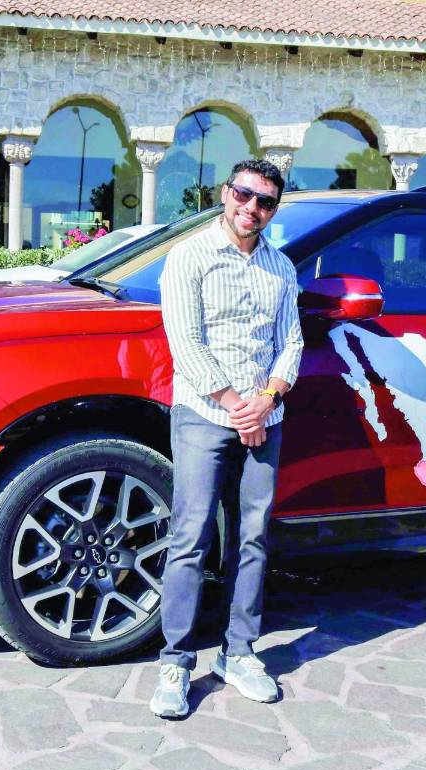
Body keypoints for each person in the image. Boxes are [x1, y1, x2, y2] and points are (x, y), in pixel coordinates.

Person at [150, 159, 303, 719]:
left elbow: (291, 343)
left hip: (265, 417)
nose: (252, 208)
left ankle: (239, 652)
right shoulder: (188, 256)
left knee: (253, 537)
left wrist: (269, 399)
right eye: (244, 194)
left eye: (265, 202)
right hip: (204, 414)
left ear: (273, 210)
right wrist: (239, 407)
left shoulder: (280, 267)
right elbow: (185, 342)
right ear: (225, 193)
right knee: (190, 536)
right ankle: (175, 661)